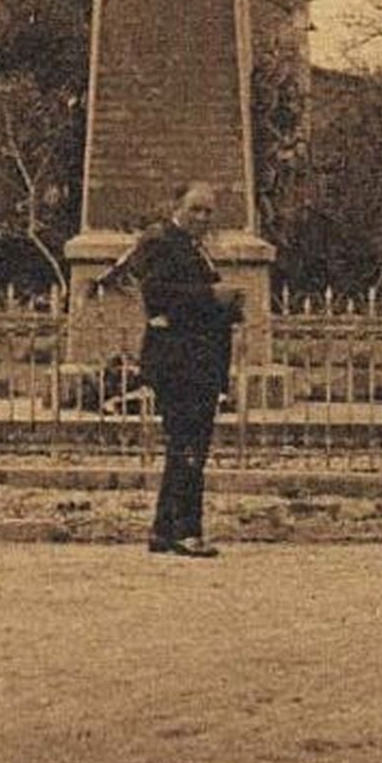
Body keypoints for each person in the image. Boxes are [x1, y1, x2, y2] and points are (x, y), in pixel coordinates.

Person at [128, 182, 246, 559]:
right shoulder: (161, 243)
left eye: (209, 211)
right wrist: (214, 297)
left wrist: (227, 304)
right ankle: (186, 531)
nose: (203, 218)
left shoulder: (192, 247)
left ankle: (164, 529)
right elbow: (158, 296)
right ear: (175, 207)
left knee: (187, 447)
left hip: (198, 360)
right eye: (195, 209)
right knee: (188, 446)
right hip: (181, 363)